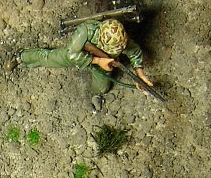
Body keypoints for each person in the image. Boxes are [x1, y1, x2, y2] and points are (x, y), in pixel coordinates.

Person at [18, 18, 153, 112]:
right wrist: (97, 60)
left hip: (104, 62)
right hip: (79, 55)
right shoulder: (86, 31)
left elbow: (135, 52)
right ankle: (23, 56)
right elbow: (72, 54)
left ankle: (97, 95)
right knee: (50, 58)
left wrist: (140, 74)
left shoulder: (120, 40)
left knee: (103, 87)